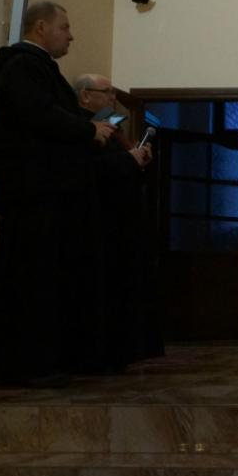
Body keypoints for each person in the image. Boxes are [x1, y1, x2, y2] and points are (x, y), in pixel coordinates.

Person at [0, 1, 116, 387]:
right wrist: (89, 130)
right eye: (65, 27)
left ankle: (43, 360)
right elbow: (41, 115)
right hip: (35, 195)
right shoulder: (24, 66)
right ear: (40, 28)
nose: (71, 36)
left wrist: (88, 131)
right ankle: (30, 364)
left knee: (45, 280)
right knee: (33, 283)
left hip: (44, 195)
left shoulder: (36, 68)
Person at [72, 73, 162, 371]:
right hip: (99, 223)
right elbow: (87, 170)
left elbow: (121, 165)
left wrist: (137, 159)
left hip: (123, 220)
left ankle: (125, 351)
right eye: (107, 91)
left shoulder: (111, 126)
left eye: (113, 92)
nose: (113, 97)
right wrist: (128, 159)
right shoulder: (80, 128)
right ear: (85, 96)